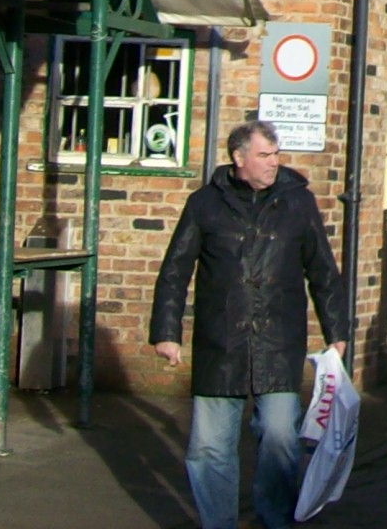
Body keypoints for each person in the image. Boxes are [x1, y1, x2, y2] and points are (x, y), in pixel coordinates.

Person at [150, 121, 347, 529]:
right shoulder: (204, 204)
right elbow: (175, 270)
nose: (273, 163)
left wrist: (337, 334)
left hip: (278, 344)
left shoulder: (299, 203)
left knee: (280, 439)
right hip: (220, 343)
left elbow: (323, 272)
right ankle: (217, 523)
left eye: (276, 154)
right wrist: (167, 333)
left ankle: (275, 519)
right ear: (239, 158)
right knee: (208, 448)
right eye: (264, 155)